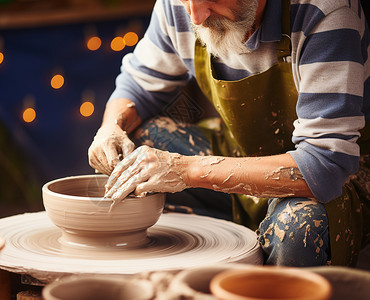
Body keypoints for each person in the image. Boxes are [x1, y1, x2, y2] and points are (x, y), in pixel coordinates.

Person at [88, 0, 370, 267]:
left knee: (297, 226)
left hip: (343, 180)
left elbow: (325, 165)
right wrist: (110, 126)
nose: (196, 17)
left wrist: (185, 170)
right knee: (135, 152)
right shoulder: (180, 8)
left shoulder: (323, 12)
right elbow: (138, 86)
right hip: (241, 152)